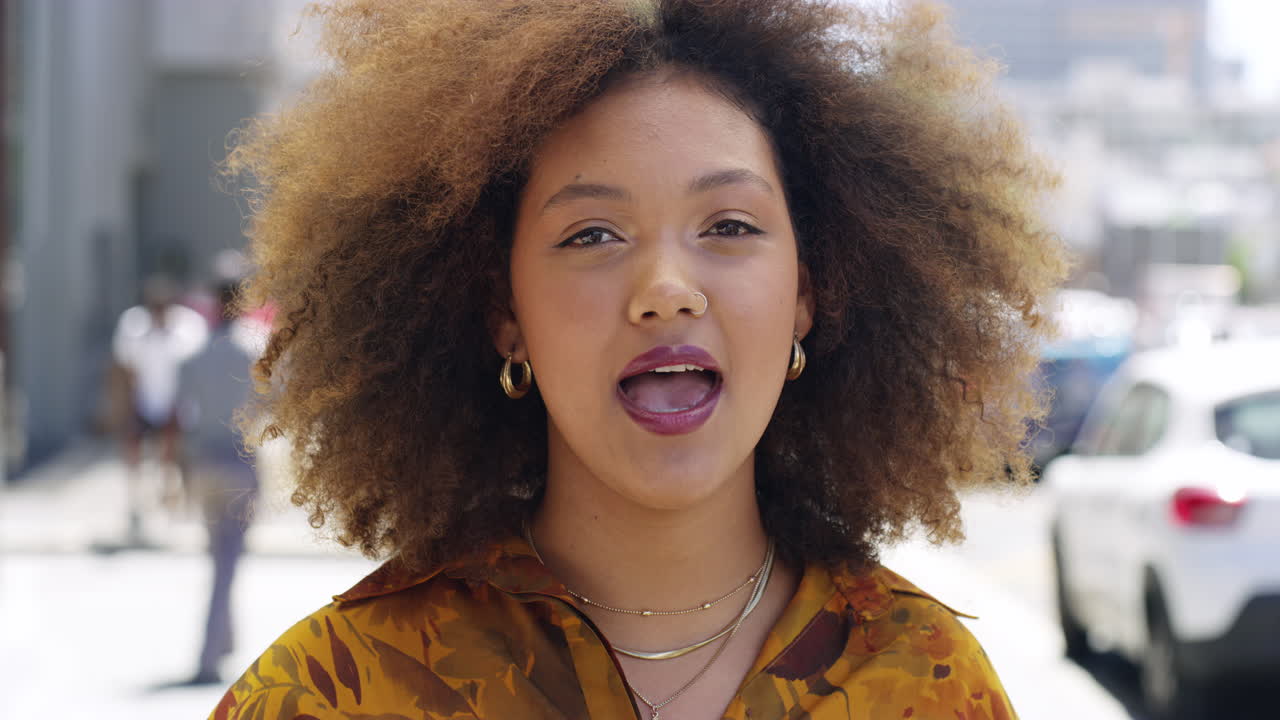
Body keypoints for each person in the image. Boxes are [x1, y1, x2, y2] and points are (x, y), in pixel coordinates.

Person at [212, 1, 1068, 718]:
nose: (666, 291)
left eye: (728, 226)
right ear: (506, 315)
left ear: (806, 294)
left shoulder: (928, 686)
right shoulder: (339, 691)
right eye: (592, 235)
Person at [177, 256, 261, 686]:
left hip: (203, 461)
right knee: (228, 560)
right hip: (238, 460)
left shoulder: (195, 351)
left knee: (219, 555)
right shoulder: (254, 348)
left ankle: (224, 641)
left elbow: (181, 413)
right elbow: (272, 403)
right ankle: (209, 654)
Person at [111, 272, 208, 544]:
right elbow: (124, 370)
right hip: (145, 403)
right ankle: (137, 507)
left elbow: (196, 372)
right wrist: (123, 407)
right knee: (134, 452)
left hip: (179, 405)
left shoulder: (189, 328)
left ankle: (181, 509)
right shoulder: (133, 326)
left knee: (177, 457)